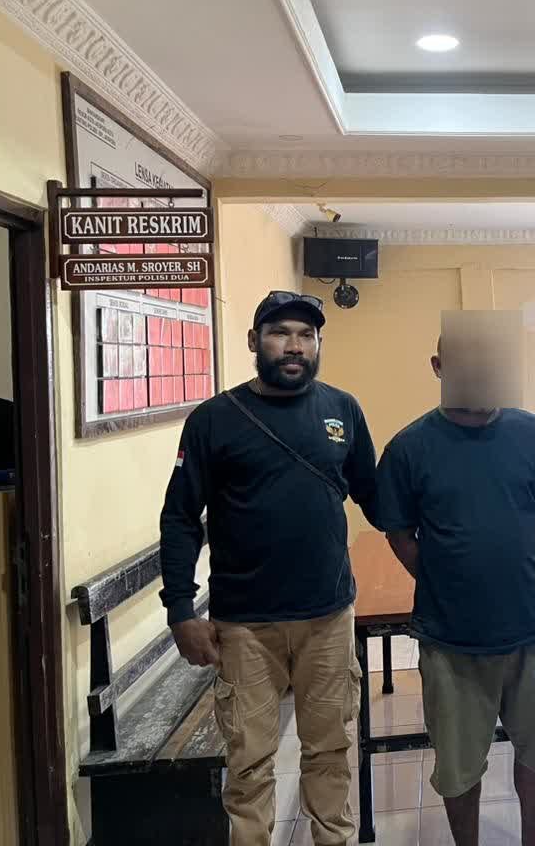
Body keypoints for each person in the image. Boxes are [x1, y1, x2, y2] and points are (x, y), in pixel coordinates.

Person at [159, 290, 377, 846]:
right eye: (281, 333)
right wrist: (181, 609)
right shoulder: (214, 420)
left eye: (307, 335)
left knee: (329, 751)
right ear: (255, 341)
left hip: (328, 616)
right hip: (245, 625)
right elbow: (180, 517)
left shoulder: (342, 409)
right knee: (249, 763)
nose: (294, 346)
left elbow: (374, 494)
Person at [374, 337, 535, 846]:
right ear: (438, 367)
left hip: (531, 630)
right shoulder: (408, 447)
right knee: (459, 766)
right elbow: (399, 533)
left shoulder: (531, 433)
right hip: (450, 639)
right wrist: (448, 578)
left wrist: (504, 563)